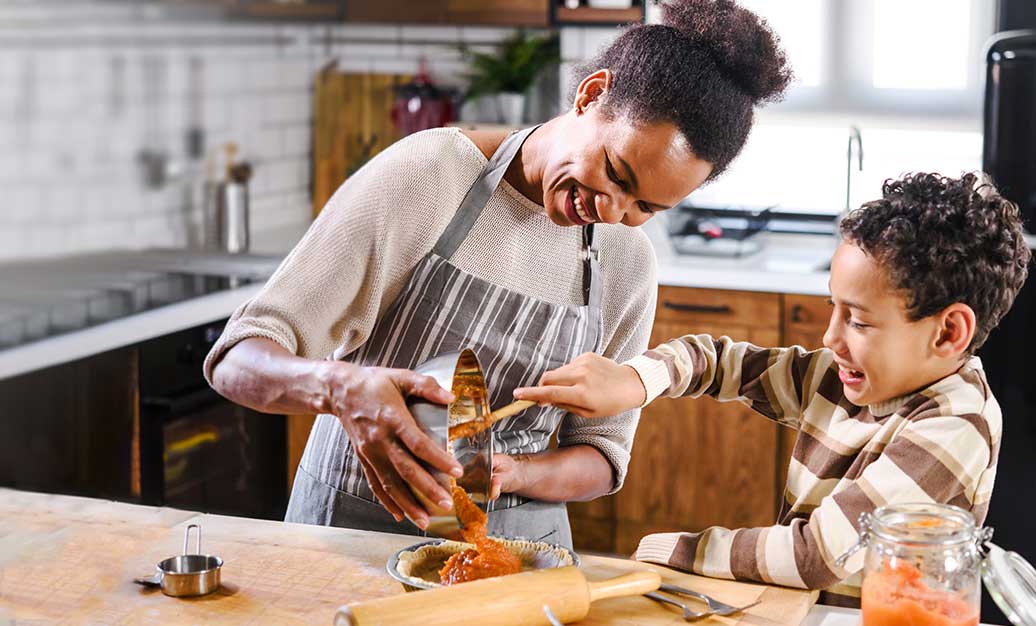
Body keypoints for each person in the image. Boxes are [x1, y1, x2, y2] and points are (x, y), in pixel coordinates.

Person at [204, 0, 791, 549]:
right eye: (615, 172)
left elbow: (603, 458)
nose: (613, 211)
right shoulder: (429, 176)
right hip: (356, 534)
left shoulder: (627, 263)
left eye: (645, 207)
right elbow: (237, 362)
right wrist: (339, 388)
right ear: (591, 95)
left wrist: (515, 474)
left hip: (520, 554)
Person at [515, 173, 1031, 602]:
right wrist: (635, 380)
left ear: (948, 332)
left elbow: (815, 556)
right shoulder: (842, 378)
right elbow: (716, 361)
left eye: (860, 322)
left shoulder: (956, 422)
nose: (831, 338)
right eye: (835, 308)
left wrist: (675, 552)